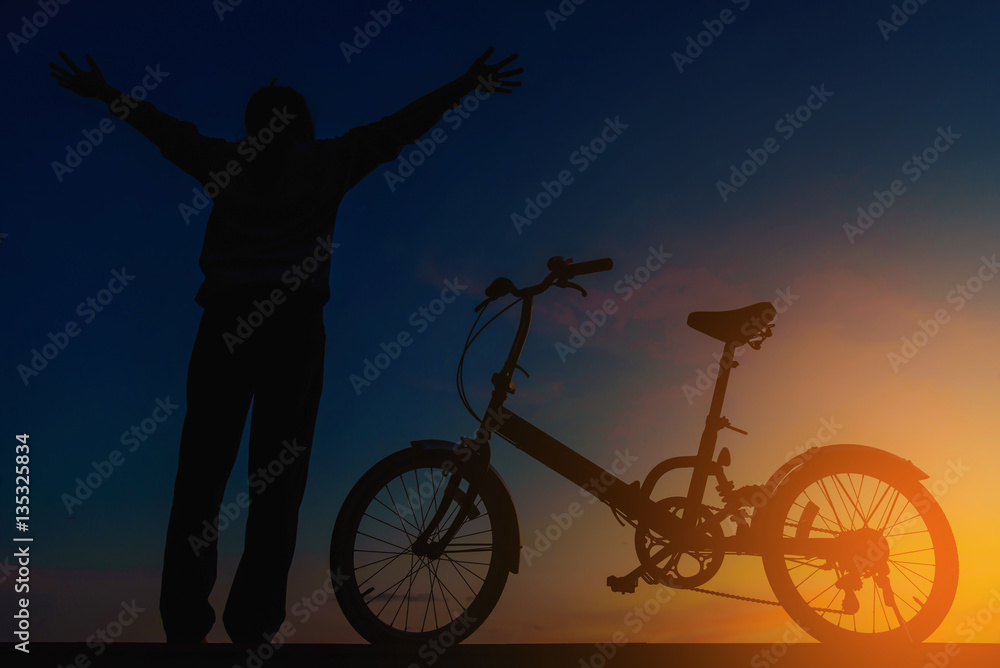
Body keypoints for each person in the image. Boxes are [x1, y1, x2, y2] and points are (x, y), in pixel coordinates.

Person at [49, 47, 522, 644]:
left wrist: (104, 91)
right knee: (278, 483)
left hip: (226, 328)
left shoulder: (227, 161)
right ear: (303, 123)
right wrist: (462, 83)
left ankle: (186, 625)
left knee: (200, 478)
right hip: (292, 332)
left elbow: (164, 131)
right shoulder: (325, 162)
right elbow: (398, 129)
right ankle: (251, 626)